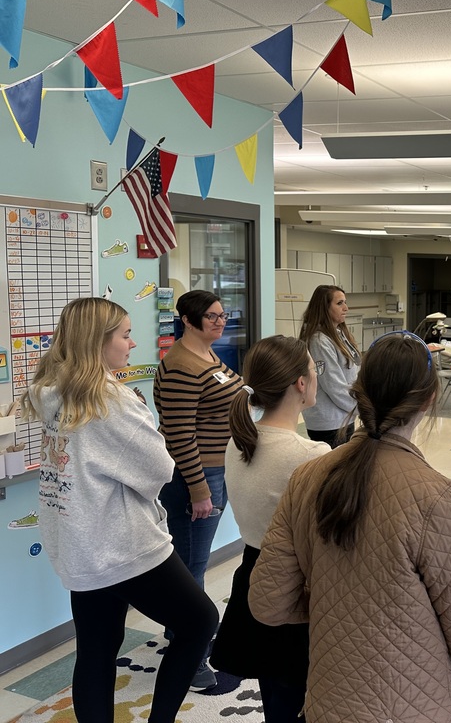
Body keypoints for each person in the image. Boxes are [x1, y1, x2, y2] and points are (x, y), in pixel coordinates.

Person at [249, 331, 451, 723]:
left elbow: (268, 602)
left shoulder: (308, 476)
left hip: (328, 700)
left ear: (357, 392)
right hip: (417, 705)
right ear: (429, 399)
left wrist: (338, 606)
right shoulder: (436, 497)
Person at [23, 298, 219, 723]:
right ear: (98, 342)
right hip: (122, 543)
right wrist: (142, 412)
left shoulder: (53, 392)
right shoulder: (111, 401)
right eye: (125, 335)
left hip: (79, 542)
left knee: (97, 646)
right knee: (201, 621)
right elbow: (161, 469)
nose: (132, 345)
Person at [209, 336, 330, 722]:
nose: (316, 376)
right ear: (300, 382)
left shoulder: (239, 441)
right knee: (304, 695)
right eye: (315, 369)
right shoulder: (310, 455)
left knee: (275, 694)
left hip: (253, 575)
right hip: (298, 585)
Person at [154, 289, 243, 690]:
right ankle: (189, 661)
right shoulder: (180, 365)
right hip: (196, 476)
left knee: (194, 562)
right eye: (210, 316)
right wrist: (198, 489)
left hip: (215, 470)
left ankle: (182, 637)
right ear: (187, 321)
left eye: (222, 315)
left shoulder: (208, 355)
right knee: (191, 568)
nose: (219, 322)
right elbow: (179, 434)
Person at [299, 285, 360, 447]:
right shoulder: (319, 341)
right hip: (330, 422)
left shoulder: (338, 333)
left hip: (344, 415)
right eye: (339, 303)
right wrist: (362, 408)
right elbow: (334, 386)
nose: (346, 308)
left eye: (345, 302)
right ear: (324, 308)